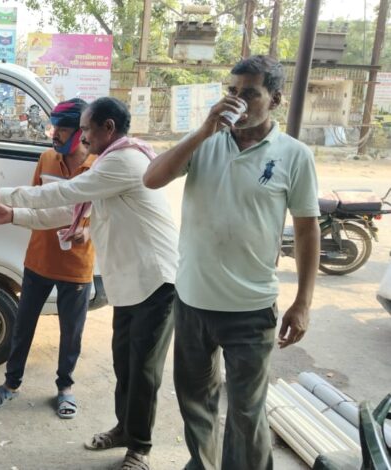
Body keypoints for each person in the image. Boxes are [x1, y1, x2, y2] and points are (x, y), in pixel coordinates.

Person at [0, 97, 179, 470]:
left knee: (143, 370)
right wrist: (13, 214)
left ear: (108, 129)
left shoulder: (122, 160)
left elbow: (64, 193)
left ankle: (140, 448)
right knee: (125, 364)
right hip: (130, 282)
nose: (82, 137)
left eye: (85, 129)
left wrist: (1, 193)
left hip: (154, 281)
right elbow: (68, 210)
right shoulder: (108, 163)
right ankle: (124, 430)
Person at [143, 55, 320, 470]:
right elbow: (151, 178)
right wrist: (204, 129)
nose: (238, 100)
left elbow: (307, 230)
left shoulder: (294, 155)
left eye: (250, 93)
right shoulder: (204, 142)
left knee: (246, 413)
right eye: (232, 91)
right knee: (196, 402)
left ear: (275, 99)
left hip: (250, 309)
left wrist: (303, 302)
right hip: (193, 301)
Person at [0, 98, 96, 419]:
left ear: (80, 132)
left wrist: (88, 232)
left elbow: (105, 217)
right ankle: (11, 383)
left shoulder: (98, 167)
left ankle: (65, 388)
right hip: (39, 260)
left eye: (62, 129)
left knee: (71, 333)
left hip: (77, 265)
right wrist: (11, 212)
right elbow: (33, 201)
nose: (54, 134)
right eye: (53, 127)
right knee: (23, 326)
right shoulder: (46, 159)